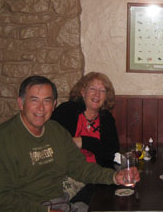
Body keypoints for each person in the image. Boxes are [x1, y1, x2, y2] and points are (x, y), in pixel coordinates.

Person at [0, 75, 139, 212]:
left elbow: (80, 167)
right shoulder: (1, 142)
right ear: (21, 103)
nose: (41, 108)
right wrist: (47, 211)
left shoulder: (56, 131)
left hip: (60, 203)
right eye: (34, 100)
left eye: (47, 101)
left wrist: (115, 177)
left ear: (54, 104)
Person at [51, 72, 120, 204]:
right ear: (83, 92)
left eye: (102, 91)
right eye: (92, 89)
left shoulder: (107, 119)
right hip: (67, 173)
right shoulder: (66, 111)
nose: (97, 95)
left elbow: (111, 152)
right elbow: (54, 143)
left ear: (106, 97)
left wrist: (83, 141)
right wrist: (96, 145)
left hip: (96, 175)